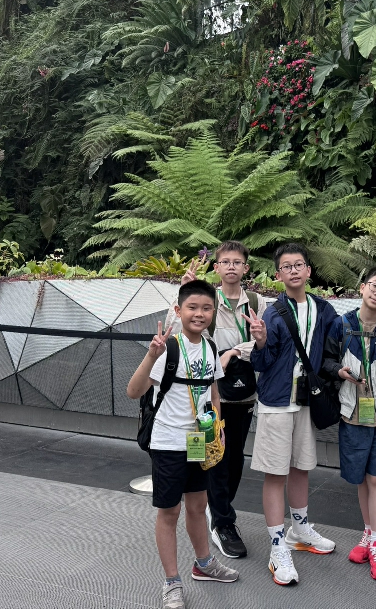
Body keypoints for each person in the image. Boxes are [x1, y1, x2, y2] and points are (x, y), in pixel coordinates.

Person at [126, 280, 239, 609]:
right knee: (170, 511)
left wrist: (217, 427)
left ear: (213, 312)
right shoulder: (168, 348)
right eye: (192, 307)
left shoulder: (210, 347)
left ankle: (204, 564)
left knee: (198, 504)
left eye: (206, 308)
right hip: (168, 441)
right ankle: (172, 581)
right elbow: (134, 391)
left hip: (198, 439)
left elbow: (213, 393)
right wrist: (151, 355)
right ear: (178, 310)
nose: (199, 314)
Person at [248, 243, 340, 586]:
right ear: (278, 275)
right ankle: (277, 546)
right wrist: (260, 341)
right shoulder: (273, 314)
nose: (294, 271)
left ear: (308, 271)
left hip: (305, 401)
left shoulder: (323, 309)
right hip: (276, 401)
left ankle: (299, 530)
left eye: (299, 264)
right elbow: (262, 362)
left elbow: (335, 345)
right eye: (286, 267)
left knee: (301, 467)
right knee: (276, 473)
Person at [172, 242, 266, 560]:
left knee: (234, 457)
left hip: (242, 394)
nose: (231, 267)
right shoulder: (206, 301)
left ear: (246, 268)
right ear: (216, 268)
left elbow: (265, 341)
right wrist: (182, 294)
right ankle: (222, 521)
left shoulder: (257, 302)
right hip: (207, 396)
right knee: (208, 457)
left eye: (237, 262)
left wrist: (235, 351)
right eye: (225, 262)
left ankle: (218, 509)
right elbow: (184, 335)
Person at [320, 267, 376, 581]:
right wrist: (339, 371)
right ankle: (368, 533)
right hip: (352, 411)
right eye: (374, 285)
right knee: (360, 479)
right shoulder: (341, 324)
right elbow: (326, 360)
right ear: (362, 287)